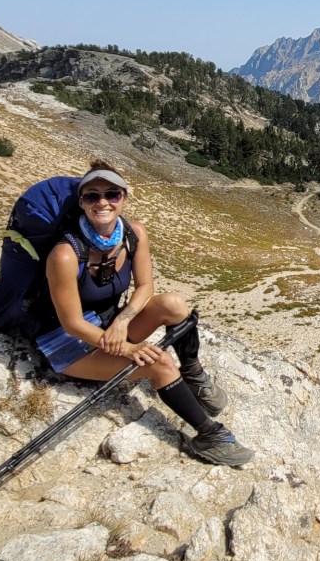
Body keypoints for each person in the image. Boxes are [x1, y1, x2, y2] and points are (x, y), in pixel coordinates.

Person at [35, 160, 253, 467]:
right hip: (69, 345)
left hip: (108, 324)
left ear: (124, 196)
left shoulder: (132, 234)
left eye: (111, 194)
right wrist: (126, 347)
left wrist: (122, 321)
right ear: (81, 202)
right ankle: (210, 437)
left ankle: (193, 375)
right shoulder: (65, 254)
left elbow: (146, 285)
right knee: (160, 363)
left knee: (175, 305)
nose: (103, 202)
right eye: (92, 196)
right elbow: (72, 324)